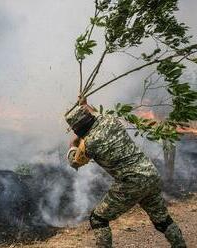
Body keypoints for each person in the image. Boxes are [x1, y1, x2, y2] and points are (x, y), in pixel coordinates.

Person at [65, 99, 186, 248]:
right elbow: (94, 113)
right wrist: (84, 103)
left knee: (98, 219)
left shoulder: (90, 143)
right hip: (149, 173)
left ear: (79, 130)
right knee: (162, 221)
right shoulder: (108, 119)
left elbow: (74, 162)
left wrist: (72, 146)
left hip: (131, 182)